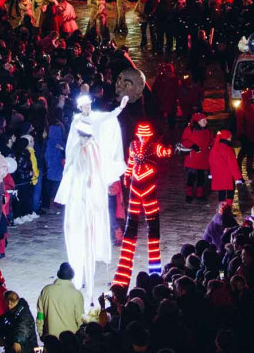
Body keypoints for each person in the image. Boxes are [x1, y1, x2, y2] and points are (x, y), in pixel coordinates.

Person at [57, 94, 126, 306]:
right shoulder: (78, 134)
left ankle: (90, 274)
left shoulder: (95, 145)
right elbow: (72, 157)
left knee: (94, 230)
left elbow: (107, 119)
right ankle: (79, 275)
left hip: (92, 196)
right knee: (78, 233)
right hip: (79, 196)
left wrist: (120, 108)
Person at [112, 121, 180, 286]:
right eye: (140, 135)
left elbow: (165, 152)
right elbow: (130, 163)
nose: (142, 138)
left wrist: (173, 148)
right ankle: (124, 265)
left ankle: (155, 270)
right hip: (136, 189)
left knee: (153, 228)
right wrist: (127, 177)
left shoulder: (154, 146)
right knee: (131, 225)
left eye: (145, 135)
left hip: (149, 189)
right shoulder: (133, 146)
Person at [36, 262, 85, 338]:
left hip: (51, 339)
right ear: (72, 276)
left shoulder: (46, 290)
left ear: (58, 274)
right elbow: (80, 319)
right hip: (70, 339)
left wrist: (41, 333)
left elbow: (40, 315)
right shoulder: (76, 294)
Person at [181, 113, 213, 201]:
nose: (206, 122)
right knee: (191, 177)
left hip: (203, 159)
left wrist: (211, 145)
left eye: (206, 120)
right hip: (193, 159)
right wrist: (192, 145)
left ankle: (199, 195)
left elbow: (211, 141)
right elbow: (184, 141)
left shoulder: (207, 131)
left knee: (201, 178)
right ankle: (189, 194)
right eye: (203, 120)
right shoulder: (189, 130)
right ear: (197, 122)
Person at [209, 129, 243, 201]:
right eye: (230, 137)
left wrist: (212, 173)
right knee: (230, 192)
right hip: (227, 175)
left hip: (218, 175)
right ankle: (227, 208)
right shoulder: (228, 149)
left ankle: (221, 208)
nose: (231, 138)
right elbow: (233, 165)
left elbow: (211, 162)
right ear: (226, 138)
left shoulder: (214, 148)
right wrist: (238, 178)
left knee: (221, 193)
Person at [236, 87, 254, 176]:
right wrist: (243, 133)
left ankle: (248, 168)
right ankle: (242, 166)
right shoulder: (245, 106)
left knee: (249, 151)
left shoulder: (249, 106)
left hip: (251, 133)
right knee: (246, 151)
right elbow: (242, 121)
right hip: (247, 133)